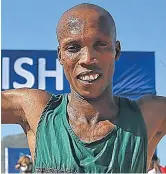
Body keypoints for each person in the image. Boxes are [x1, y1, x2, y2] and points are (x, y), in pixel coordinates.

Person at [2, 3, 166, 173]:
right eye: (73, 47)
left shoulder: (149, 115)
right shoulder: (35, 110)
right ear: (60, 55)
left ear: (116, 50)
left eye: (100, 44)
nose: (87, 59)